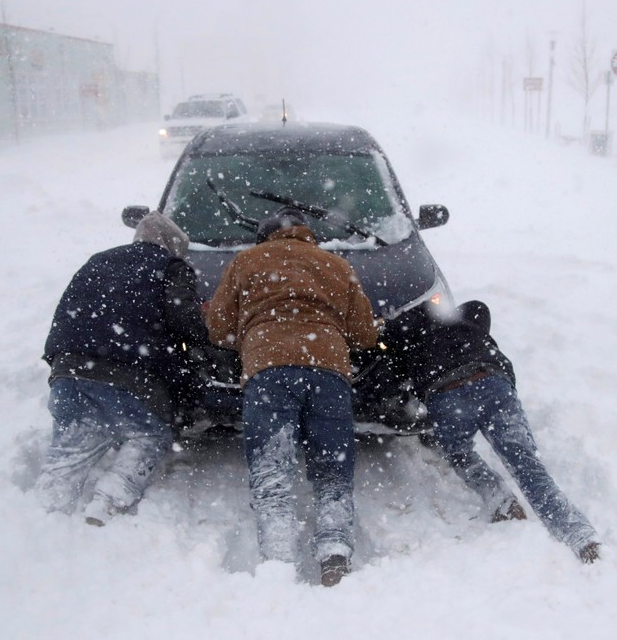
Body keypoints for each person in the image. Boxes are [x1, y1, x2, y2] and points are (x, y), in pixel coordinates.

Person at [204, 207, 379, 586]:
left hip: (268, 370)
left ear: (266, 236)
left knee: (272, 470)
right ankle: (334, 553)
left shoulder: (246, 262)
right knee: (333, 468)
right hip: (328, 369)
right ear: (306, 233)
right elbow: (365, 335)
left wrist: (251, 333)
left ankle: (279, 558)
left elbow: (218, 328)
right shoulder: (335, 264)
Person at [383, 300, 601, 563]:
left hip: (445, 393)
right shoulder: (465, 316)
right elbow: (479, 308)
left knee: (459, 453)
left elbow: (389, 373)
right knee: (527, 466)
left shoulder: (400, 334)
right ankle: (580, 537)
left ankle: (501, 501)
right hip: (491, 382)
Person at [36, 212, 208, 526]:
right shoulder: (170, 267)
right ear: (172, 247)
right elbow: (187, 322)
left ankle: (47, 514)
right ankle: (107, 502)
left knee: (70, 448)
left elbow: (65, 315)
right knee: (149, 435)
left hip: (68, 370)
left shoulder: (97, 261)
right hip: (129, 374)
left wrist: (61, 364)